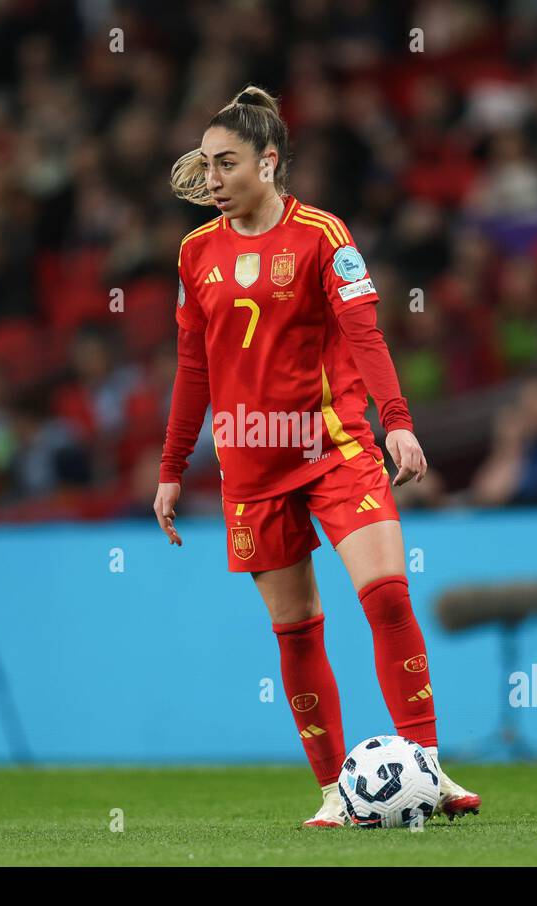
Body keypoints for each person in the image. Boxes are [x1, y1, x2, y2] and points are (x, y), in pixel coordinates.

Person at [154, 86, 479, 827]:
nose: (211, 178)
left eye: (226, 163)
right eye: (205, 165)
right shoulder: (193, 253)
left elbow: (366, 336)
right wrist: (173, 466)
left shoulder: (326, 236)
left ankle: (427, 770)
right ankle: (337, 791)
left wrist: (396, 422)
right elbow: (193, 368)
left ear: (268, 164)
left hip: (332, 447)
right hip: (250, 468)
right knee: (297, 630)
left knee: (389, 596)